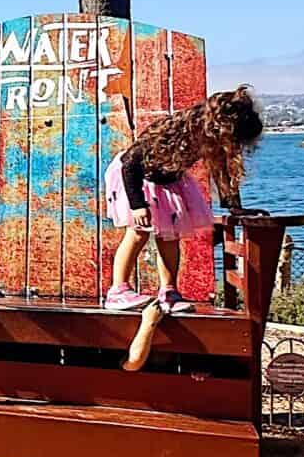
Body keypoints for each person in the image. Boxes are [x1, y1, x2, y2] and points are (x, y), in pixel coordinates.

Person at [103, 85, 263, 314]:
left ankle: (168, 291)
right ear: (223, 128)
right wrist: (138, 205)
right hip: (134, 178)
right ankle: (118, 291)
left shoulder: (210, 137)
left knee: (170, 236)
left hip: (167, 181)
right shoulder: (177, 129)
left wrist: (234, 207)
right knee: (138, 232)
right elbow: (131, 162)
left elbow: (221, 171)